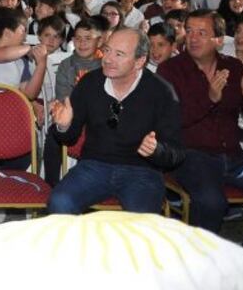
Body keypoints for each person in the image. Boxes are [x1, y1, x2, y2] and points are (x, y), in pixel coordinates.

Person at [158, 10, 243, 269]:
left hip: (232, 155)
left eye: (202, 33)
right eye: (189, 31)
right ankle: (196, 267)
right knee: (212, 202)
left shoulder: (234, 67)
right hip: (190, 155)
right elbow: (170, 122)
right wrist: (209, 99)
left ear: (219, 40)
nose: (193, 38)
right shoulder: (170, 70)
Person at [47, 28, 184, 214]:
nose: (108, 59)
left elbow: (176, 152)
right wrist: (63, 126)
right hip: (93, 165)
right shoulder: (90, 83)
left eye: (119, 54)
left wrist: (156, 150)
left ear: (140, 61)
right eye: (108, 50)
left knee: (142, 220)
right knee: (59, 202)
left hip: (142, 170)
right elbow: (68, 138)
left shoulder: (161, 92)